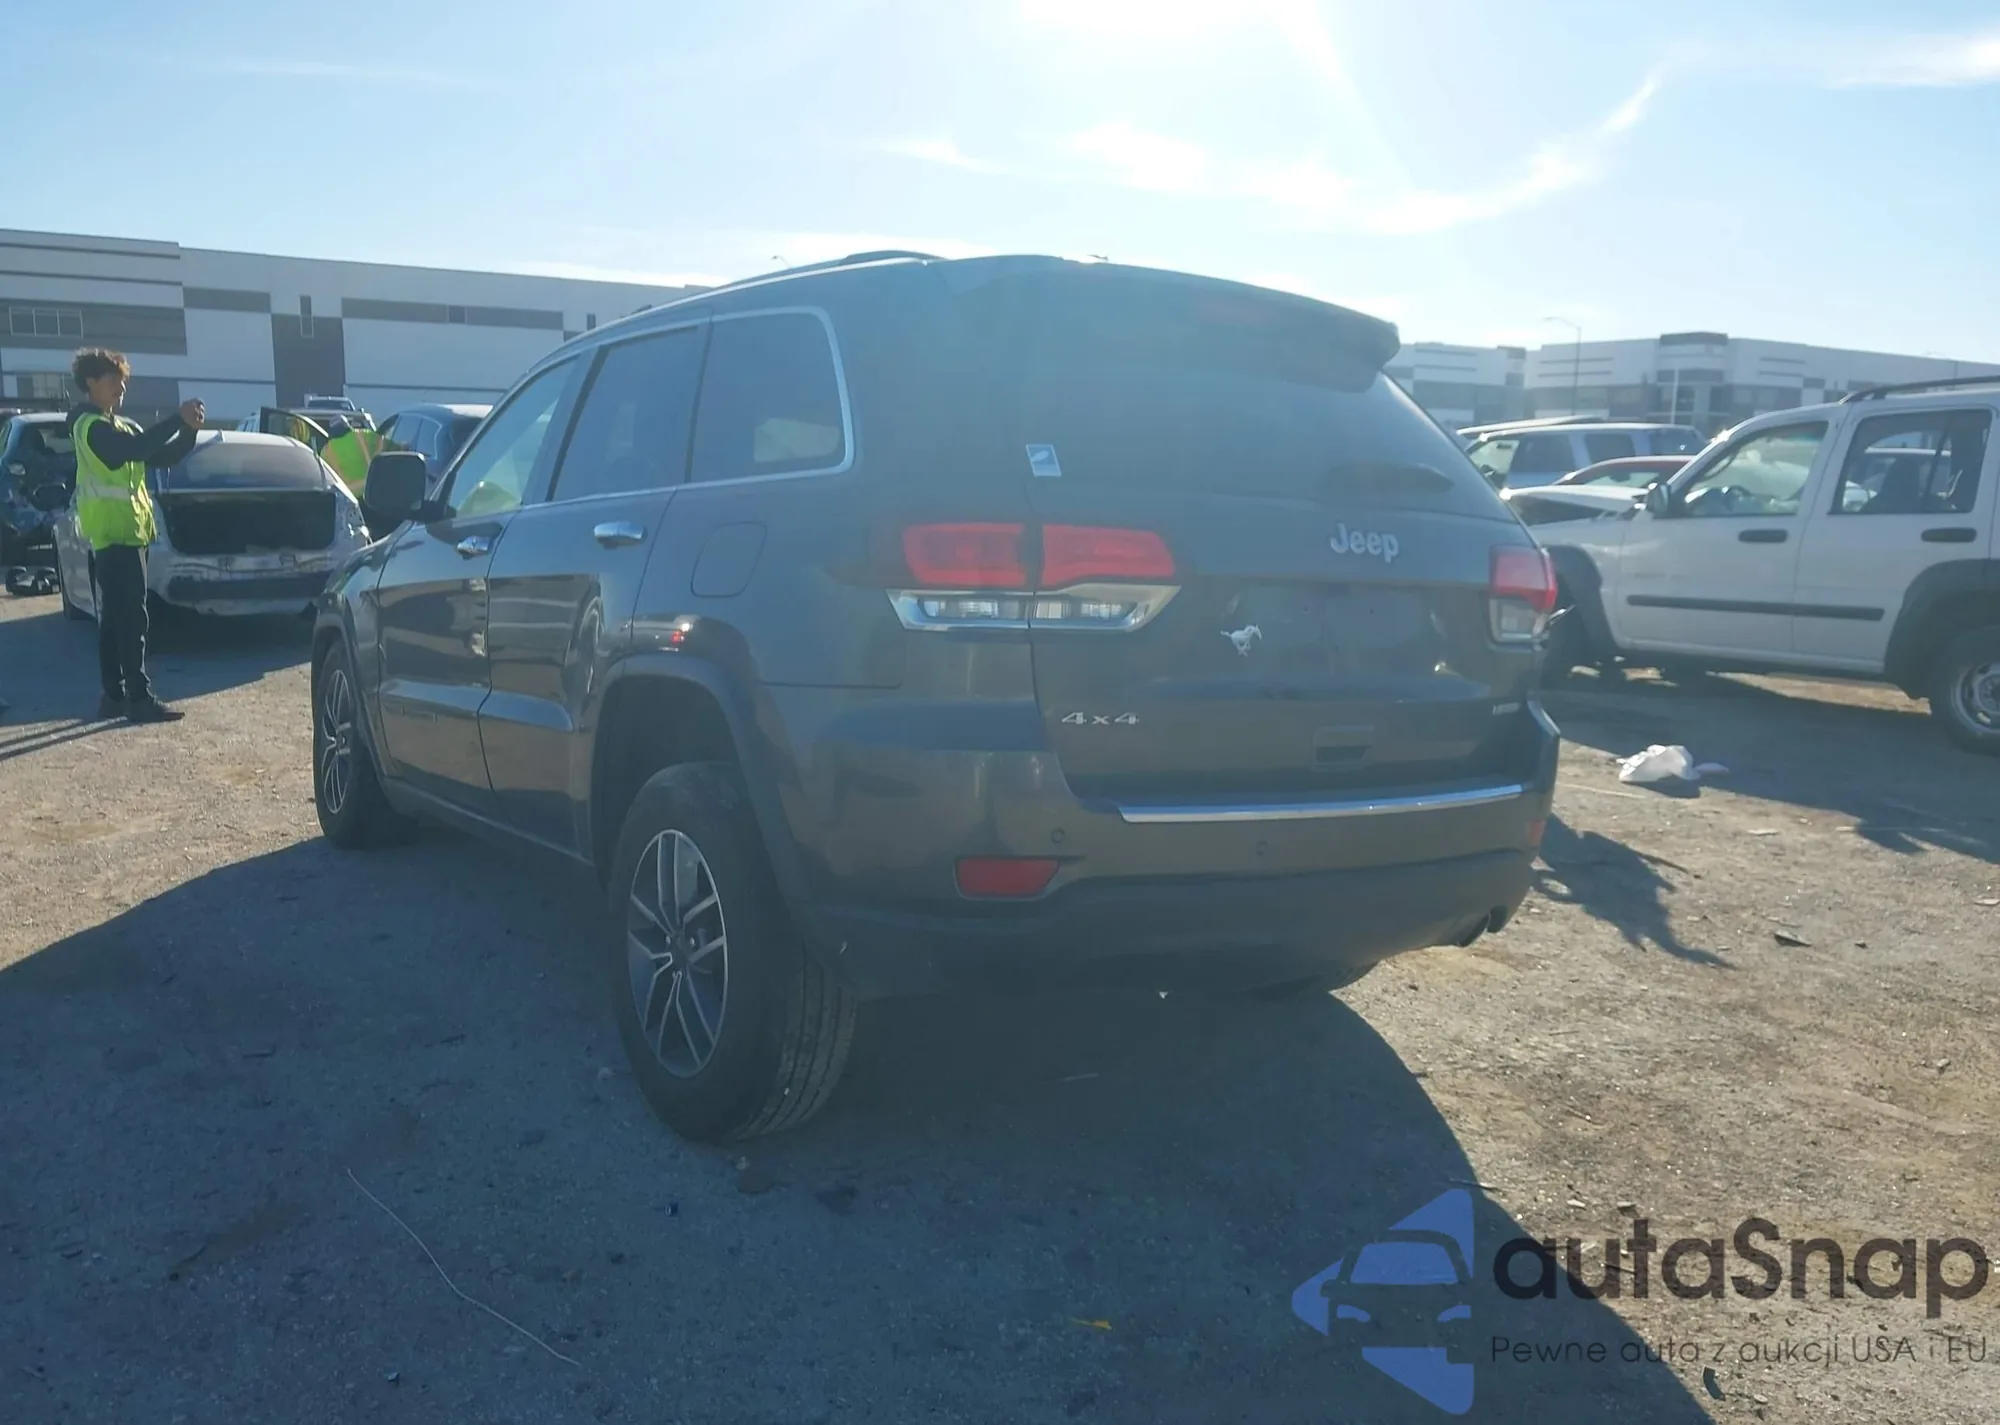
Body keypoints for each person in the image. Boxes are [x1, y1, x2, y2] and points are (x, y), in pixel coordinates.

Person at [67, 348, 204, 723]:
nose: (121, 388)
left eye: (124, 381)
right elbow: (128, 452)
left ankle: (114, 697)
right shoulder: (90, 427)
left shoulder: (120, 425)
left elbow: (162, 456)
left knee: (115, 619)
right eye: (113, 380)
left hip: (130, 533)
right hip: (112, 535)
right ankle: (138, 699)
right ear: (90, 383)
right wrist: (176, 419)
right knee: (131, 620)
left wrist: (189, 429)